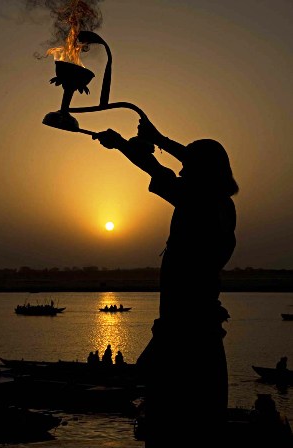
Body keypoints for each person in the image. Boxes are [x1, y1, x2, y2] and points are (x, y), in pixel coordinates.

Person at [93, 115, 239, 445]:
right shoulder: (219, 203)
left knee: (176, 423)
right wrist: (158, 139)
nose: (183, 171)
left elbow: (157, 170)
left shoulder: (199, 203)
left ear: (200, 174)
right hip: (195, 328)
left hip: (186, 333)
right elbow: (181, 166)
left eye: (189, 168)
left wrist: (123, 146)